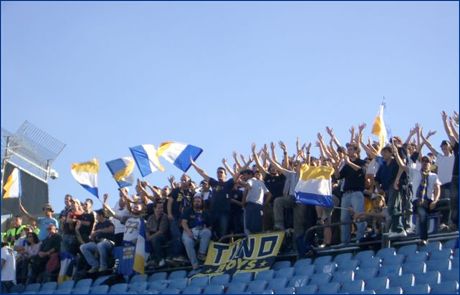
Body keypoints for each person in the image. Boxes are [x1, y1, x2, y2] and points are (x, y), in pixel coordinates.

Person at [190, 160, 234, 239]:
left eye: (221, 172)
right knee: (212, 233)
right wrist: (193, 164)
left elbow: (237, 174)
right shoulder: (214, 183)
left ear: (225, 175)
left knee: (223, 234)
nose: (219, 174)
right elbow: (202, 173)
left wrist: (226, 164)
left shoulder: (229, 183)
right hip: (213, 213)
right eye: (217, 172)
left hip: (224, 214)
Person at [334, 142, 367, 244]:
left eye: (351, 149)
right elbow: (338, 177)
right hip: (346, 194)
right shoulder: (346, 165)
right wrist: (335, 167)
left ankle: (360, 238)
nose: (349, 151)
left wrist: (348, 163)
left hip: (357, 193)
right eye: (348, 150)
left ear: (357, 151)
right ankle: (345, 242)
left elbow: (361, 171)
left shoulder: (361, 162)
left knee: (359, 216)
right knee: (344, 219)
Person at [374, 145, 406, 237]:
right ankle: (395, 228)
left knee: (394, 207)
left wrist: (397, 181)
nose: (383, 154)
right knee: (391, 209)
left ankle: (399, 229)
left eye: (385, 152)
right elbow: (376, 179)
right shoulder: (383, 165)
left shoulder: (395, 163)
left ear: (391, 153)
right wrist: (379, 188)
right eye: (382, 153)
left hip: (395, 187)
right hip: (386, 189)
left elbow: (402, 166)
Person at [181, 195, 212, 271]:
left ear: (201, 203)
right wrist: (189, 232)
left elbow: (210, 226)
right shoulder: (188, 210)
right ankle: (195, 265)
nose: (196, 203)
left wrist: (206, 229)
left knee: (207, 232)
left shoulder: (205, 212)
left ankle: (201, 254)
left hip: (201, 229)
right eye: (195, 201)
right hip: (189, 230)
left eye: (198, 201)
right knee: (188, 242)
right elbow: (183, 223)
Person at [239, 169, 271, 234]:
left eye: (245, 175)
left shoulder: (250, 180)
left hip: (250, 206)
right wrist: (264, 204)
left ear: (250, 175)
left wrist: (243, 201)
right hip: (259, 206)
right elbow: (269, 194)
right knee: (258, 226)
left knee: (249, 228)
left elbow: (247, 187)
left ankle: (250, 242)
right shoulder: (261, 183)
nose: (244, 177)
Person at [146, 202, 169, 268]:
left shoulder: (164, 216)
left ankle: (161, 259)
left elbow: (161, 231)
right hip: (151, 235)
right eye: (158, 208)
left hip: (163, 236)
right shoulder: (150, 217)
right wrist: (147, 236)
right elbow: (147, 229)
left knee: (155, 239)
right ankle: (148, 260)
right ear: (154, 208)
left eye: (162, 208)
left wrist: (150, 237)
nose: (160, 209)